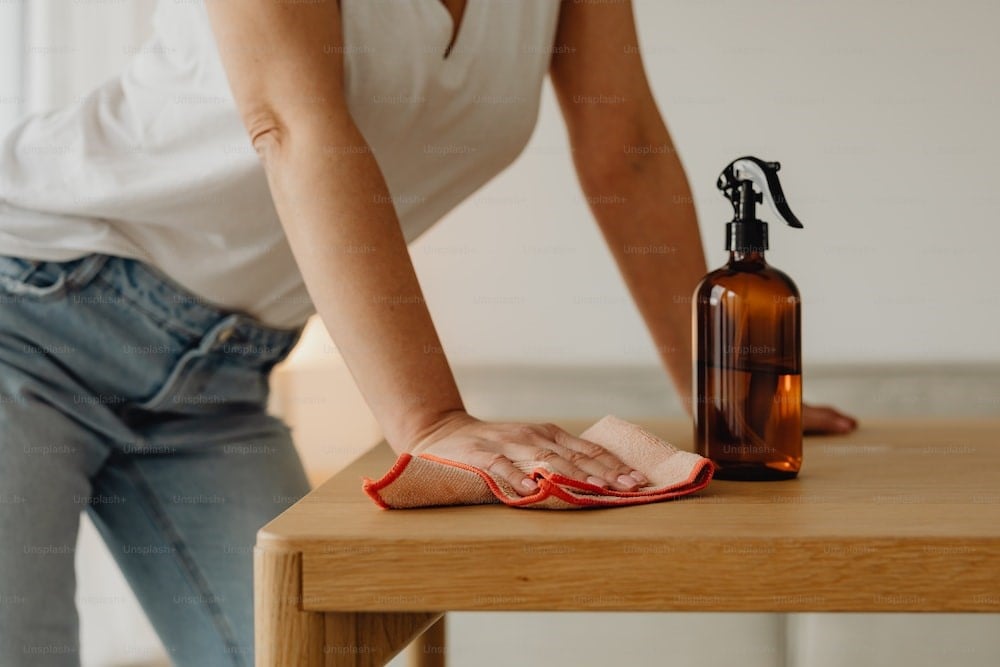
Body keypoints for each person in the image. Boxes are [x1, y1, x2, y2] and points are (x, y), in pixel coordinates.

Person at [0, 0, 857, 665]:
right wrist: (434, 421)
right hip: (30, 304)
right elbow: (291, 123)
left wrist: (720, 395)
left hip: (217, 379)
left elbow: (623, 145)